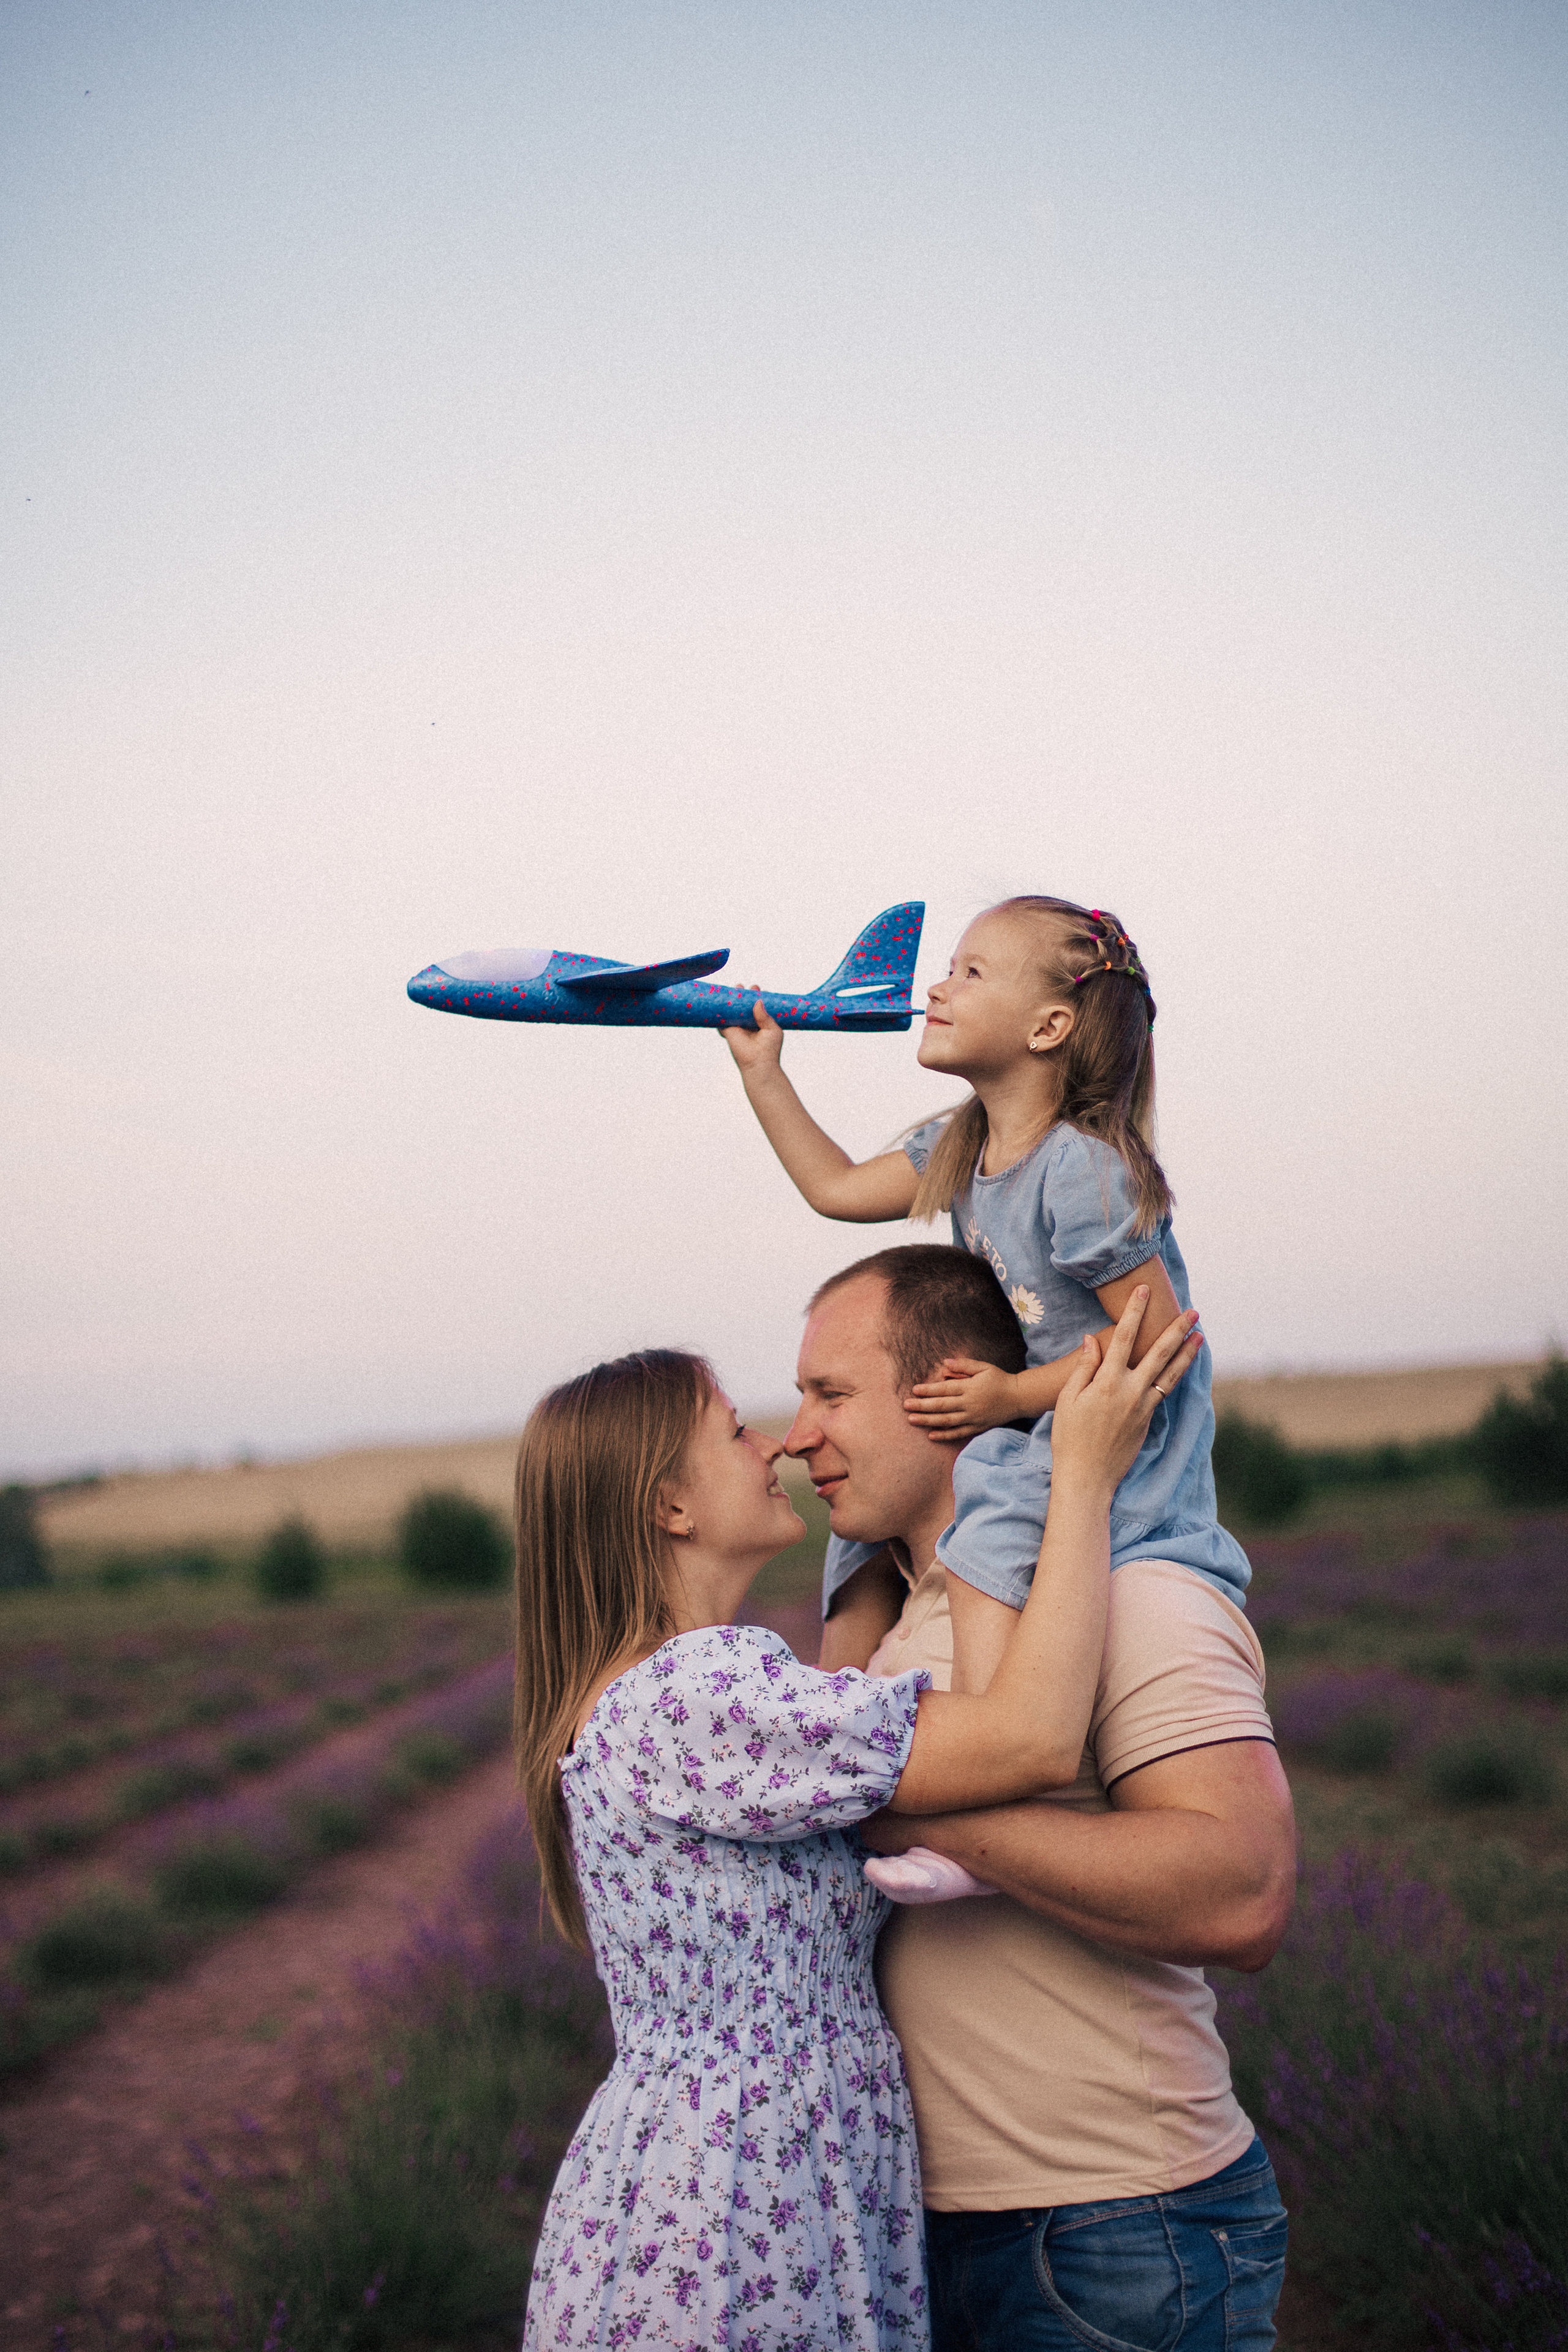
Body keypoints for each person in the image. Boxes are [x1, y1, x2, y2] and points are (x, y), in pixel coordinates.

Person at [515, 1294, 1200, 2351]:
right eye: (734, 1430)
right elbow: (1029, 1740)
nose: (778, 1443)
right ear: (672, 1508)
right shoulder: (703, 1695)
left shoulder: (673, 1694)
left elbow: (849, 1701)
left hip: (732, 2178)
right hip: (741, 2210)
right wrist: (1080, 1481)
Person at [790, 1245, 1295, 2351]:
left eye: (831, 1394)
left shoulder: (1131, 1586)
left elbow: (1243, 1891)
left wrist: (902, 1806)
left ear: (949, 1387)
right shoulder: (893, 1628)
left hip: (1117, 2223)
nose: (797, 1435)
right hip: (913, 2229)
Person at [724, 895, 1250, 1764]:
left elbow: (1158, 1345)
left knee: (991, 1502)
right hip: (1037, 1409)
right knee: (864, 1515)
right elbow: (838, 1189)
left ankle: (998, 1754)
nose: (938, 986)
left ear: (1048, 1026)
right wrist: (763, 1073)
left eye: (971, 972)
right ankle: (835, 1722)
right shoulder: (964, 1144)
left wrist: (1011, 1395)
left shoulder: (1078, 1167)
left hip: (1110, 1428)